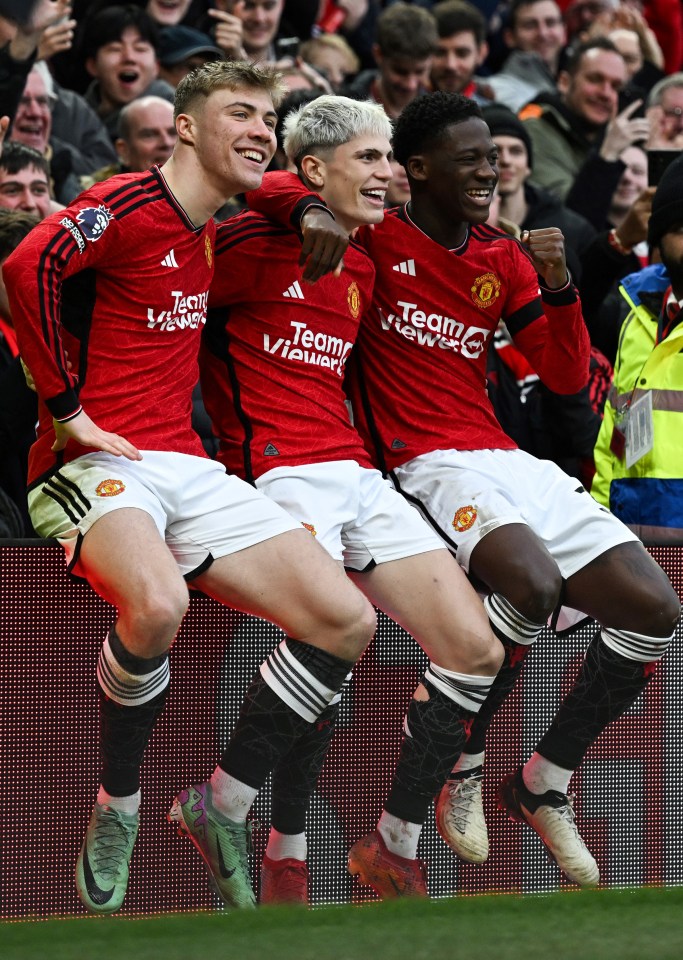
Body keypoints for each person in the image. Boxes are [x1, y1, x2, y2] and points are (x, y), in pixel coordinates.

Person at [248, 90, 680, 892]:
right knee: (533, 583)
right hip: (421, 462)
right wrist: (308, 204)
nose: (489, 171)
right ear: (416, 171)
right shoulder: (377, 242)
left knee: (655, 614)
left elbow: (559, 378)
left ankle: (543, 780)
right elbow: (267, 187)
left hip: (500, 455)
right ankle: (464, 757)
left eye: (493, 157)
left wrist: (557, 287)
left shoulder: (501, 255)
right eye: (470, 159)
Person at [4, 59, 377, 917]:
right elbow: (29, 264)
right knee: (161, 605)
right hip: (93, 462)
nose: (259, 129)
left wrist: (308, 202)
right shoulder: (129, 204)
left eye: (268, 117)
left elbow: (285, 183)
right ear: (183, 126)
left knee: (346, 620)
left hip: (185, 464)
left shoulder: (220, 223)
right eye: (240, 113)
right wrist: (67, 409)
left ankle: (221, 802)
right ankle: (117, 807)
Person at [199, 94, 503, 903]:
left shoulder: (363, 263)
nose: (389, 172)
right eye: (369, 158)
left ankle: (388, 843)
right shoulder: (246, 243)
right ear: (312, 170)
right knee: (333, 638)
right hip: (275, 473)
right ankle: (277, 846)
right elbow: (165, 269)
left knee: (473, 648)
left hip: (356, 472)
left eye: (389, 158)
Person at [592, 154, 683, 543]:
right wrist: (599, 522)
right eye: (681, 227)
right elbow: (616, 433)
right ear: (659, 238)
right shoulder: (636, 310)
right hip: (632, 546)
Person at [342, 2, 437, 120]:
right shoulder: (345, 110)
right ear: (378, 55)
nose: (410, 85)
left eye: (420, 71)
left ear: (432, 59)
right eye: (400, 72)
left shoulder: (436, 115)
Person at [429, 1, 490, 103]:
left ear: (481, 53)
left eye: (462, 54)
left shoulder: (496, 116)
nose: (450, 65)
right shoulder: (400, 108)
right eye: (439, 53)